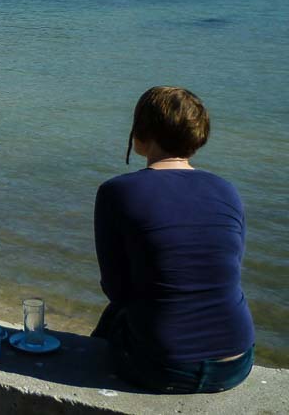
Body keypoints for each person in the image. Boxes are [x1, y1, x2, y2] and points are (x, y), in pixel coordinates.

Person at [92, 87, 255, 393]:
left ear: (142, 131)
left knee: (115, 317)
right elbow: (226, 271)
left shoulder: (117, 192)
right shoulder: (227, 190)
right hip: (236, 363)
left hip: (164, 368)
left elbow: (116, 290)